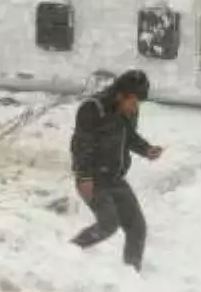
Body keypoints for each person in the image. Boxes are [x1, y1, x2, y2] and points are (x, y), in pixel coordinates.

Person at [70, 69, 164, 272]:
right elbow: (80, 146)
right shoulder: (93, 109)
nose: (136, 107)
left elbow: (129, 137)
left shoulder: (128, 110)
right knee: (108, 224)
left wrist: (146, 149)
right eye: (134, 101)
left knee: (137, 228)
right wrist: (84, 177)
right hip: (93, 179)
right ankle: (68, 253)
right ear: (121, 95)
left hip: (115, 178)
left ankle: (131, 274)